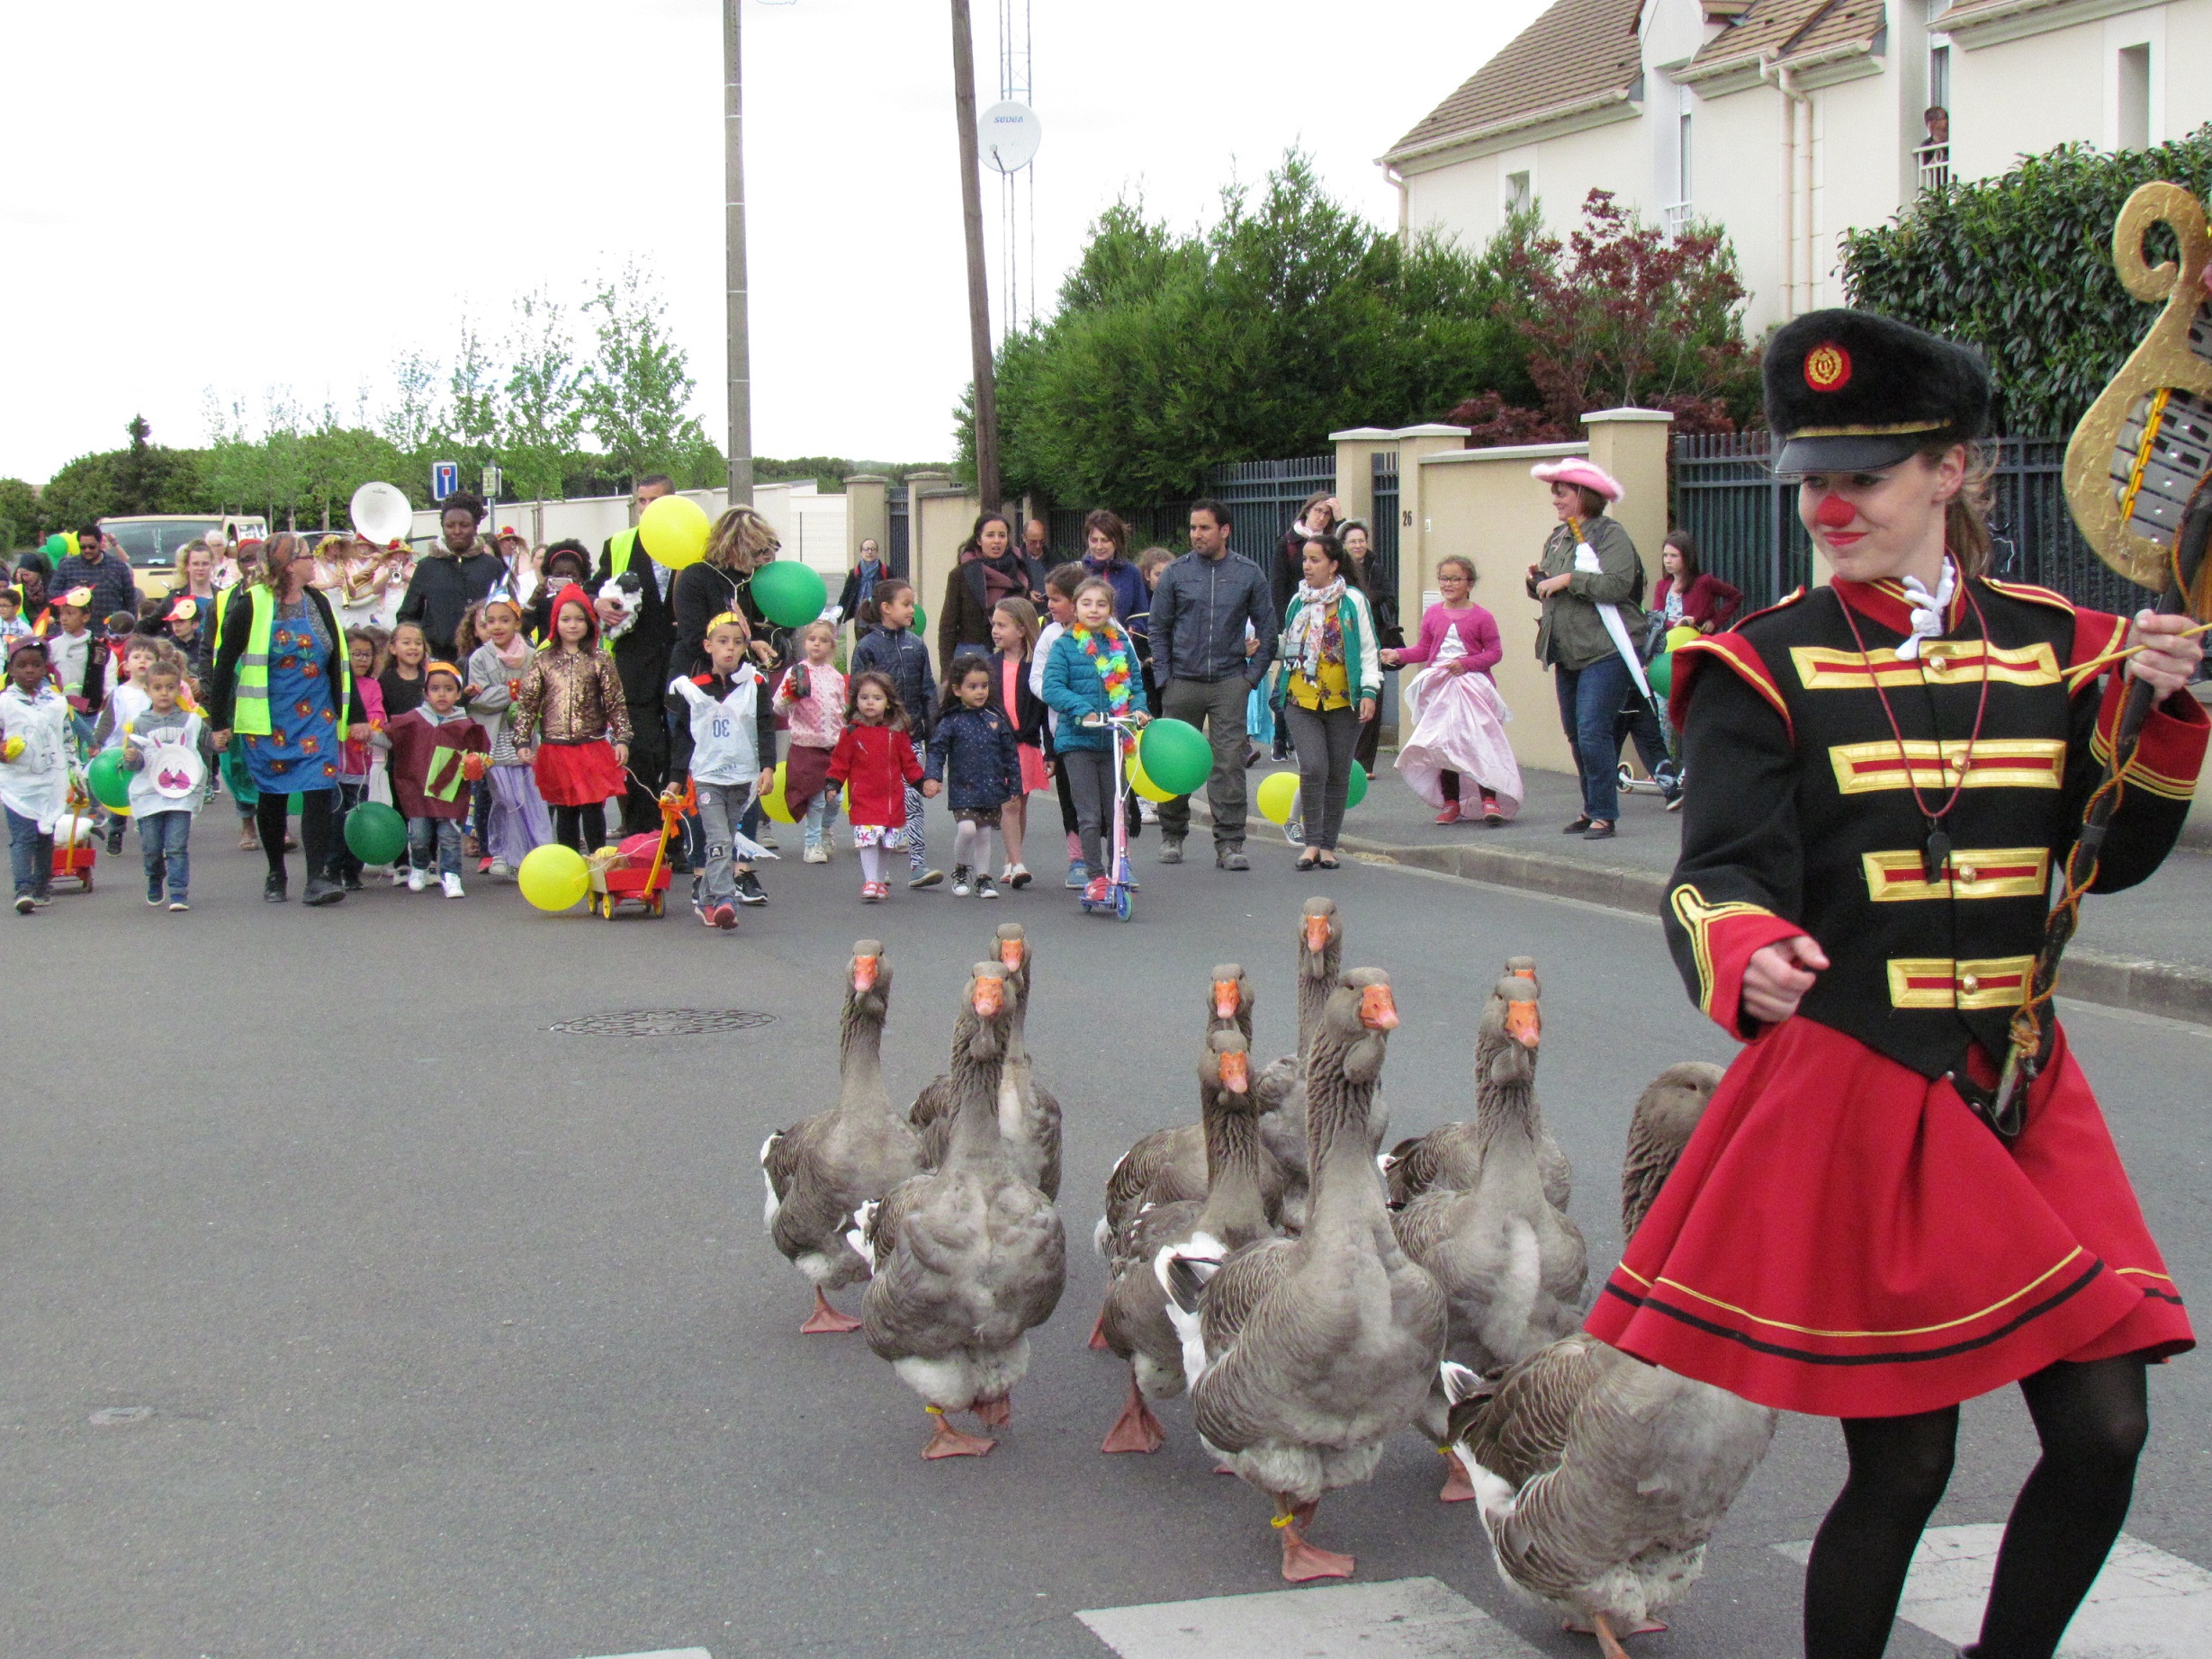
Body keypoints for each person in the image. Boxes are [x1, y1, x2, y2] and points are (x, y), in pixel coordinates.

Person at [1582, 309, 2207, 1659]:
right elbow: (1711, 878)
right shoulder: (1761, 661)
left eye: (1860, 475)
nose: (1826, 505)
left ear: (1950, 472)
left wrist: (2161, 708)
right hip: (1861, 1089)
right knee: (1905, 1467)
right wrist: (1745, 954)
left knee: (2105, 1431)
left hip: (2020, 1084)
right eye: (1810, 477)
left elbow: (2127, 854)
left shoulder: (2061, 644)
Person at [207, 530, 364, 906]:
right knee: (273, 796)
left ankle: (316, 878)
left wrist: (354, 712)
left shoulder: (319, 602)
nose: (315, 561)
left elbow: (339, 662)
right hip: (268, 719)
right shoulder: (252, 605)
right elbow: (223, 663)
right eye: (308, 555)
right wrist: (218, 722)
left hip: (317, 716)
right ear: (290, 564)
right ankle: (276, 871)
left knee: (318, 791)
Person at [1526, 457, 1650, 839]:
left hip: (1604, 649)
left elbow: (1616, 585)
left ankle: (1604, 814)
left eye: (1561, 494)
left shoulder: (1610, 534)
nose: (1555, 501)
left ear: (1582, 495)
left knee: (1594, 729)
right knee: (1576, 733)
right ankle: (1590, 806)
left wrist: (1568, 579)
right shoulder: (1558, 536)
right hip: (1567, 650)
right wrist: (1537, 582)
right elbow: (1551, 589)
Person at [1148, 498, 1274, 870]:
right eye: (1192, 528)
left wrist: (1250, 679)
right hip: (1182, 682)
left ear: (1225, 531)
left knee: (1228, 764)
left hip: (1228, 682)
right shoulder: (1176, 573)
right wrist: (1165, 679)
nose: (1196, 535)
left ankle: (1230, 843)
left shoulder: (1249, 573)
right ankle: (1172, 835)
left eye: (1204, 528)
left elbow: (1268, 631)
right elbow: (1158, 628)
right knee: (1176, 761)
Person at [1385, 555, 1519, 826]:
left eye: (1455, 579)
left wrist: (1467, 664)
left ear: (1469, 583)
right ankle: (1451, 802)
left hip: (1472, 688)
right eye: (1444, 578)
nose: (1448, 584)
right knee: (1442, 745)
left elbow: (1494, 653)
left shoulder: (1483, 617)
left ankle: (1489, 798)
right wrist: (1398, 654)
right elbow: (1424, 649)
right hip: (1441, 689)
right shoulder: (1433, 614)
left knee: (1478, 742)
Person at [1041, 577, 1150, 909]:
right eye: (1086, 604)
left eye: (1101, 604)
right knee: (1089, 814)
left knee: (1118, 812)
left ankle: (1119, 866)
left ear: (1110, 609)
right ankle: (1095, 875)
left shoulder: (1120, 643)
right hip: (1078, 741)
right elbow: (1052, 688)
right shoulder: (1064, 645)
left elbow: (1136, 685)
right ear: (1075, 608)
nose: (1093, 610)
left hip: (1115, 739)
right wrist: (1082, 709)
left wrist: (1140, 709)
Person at [1274, 532, 1381, 871]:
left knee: (1337, 773)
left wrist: (1369, 691)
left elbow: (1368, 650)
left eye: (1315, 560)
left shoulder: (1353, 601)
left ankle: (1328, 846)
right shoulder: (1297, 602)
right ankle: (1311, 843)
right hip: (1301, 699)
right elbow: (1288, 644)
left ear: (1334, 565)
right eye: (1304, 559)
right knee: (1314, 767)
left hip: (1343, 701)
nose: (1307, 566)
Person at [668, 612, 777, 928]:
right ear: (708, 646)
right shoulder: (695, 689)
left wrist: (767, 767)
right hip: (707, 777)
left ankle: (705, 899)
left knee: (728, 836)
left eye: (738, 642)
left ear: (745, 647)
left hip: (742, 777)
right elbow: (684, 736)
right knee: (719, 840)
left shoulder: (755, 685)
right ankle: (726, 899)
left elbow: (764, 727)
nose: (730, 649)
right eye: (722, 642)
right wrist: (676, 778)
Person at [510, 583, 631, 856]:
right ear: (555, 622)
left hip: (592, 744)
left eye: (579, 619)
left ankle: (598, 858)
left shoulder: (600, 658)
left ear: (589, 622)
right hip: (556, 747)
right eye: (565, 619)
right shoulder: (543, 659)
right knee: (565, 808)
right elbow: (528, 703)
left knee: (592, 806)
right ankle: (568, 861)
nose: (573, 625)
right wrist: (522, 741)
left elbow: (615, 702)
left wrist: (622, 738)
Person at [594, 475, 681, 837]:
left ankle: (679, 841)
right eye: (641, 501)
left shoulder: (696, 544)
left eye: (655, 501)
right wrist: (596, 603)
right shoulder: (618, 544)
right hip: (634, 665)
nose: (647, 508)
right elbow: (592, 587)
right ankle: (641, 835)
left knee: (679, 751)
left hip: (681, 664)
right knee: (641, 751)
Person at [850, 578, 940, 889]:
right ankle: (877, 871)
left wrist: (934, 735)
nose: (912, 609)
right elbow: (856, 694)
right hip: (876, 741)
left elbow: (928, 690)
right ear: (886, 609)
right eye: (906, 603)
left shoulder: (916, 645)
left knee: (914, 799)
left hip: (910, 736)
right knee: (878, 803)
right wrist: (859, 734)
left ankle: (918, 864)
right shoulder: (867, 646)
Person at [462, 596, 550, 878]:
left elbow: (537, 692)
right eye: (491, 621)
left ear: (516, 623)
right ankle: (501, 851)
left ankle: (535, 851)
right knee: (505, 796)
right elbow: (479, 700)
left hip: (523, 736)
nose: (497, 627)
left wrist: (512, 692)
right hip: (494, 736)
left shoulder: (531, 655)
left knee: (529, 795)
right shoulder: (479, 657)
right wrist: (512, 691)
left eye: (504, 620)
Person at [385, 661, 489, 897]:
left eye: (448, 688)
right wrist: (370, 737)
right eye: (435, 688)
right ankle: (420, 866)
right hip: (418, 789)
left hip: (450, 791)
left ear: (458, 693)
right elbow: (390, 737)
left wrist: (478, 763)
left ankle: (452, 877)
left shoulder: (465, 725)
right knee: (419, 835)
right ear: (425, 692)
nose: (441, 694)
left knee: (449, 836)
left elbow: (481, 754)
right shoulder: (414, 719)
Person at [117, 659, 211, 910]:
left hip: (181, 792)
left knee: (177, 846)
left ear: (179, 690)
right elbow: (133, 766)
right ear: (147, 690)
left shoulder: (191, 721)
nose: (164, 693)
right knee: (151, 847)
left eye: (170, 687)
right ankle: (154, 876)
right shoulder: (140, 723)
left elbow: (208, 745)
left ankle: (179, 892)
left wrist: (220, 740)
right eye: (157, 688)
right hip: (148, 793)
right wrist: (131, 758)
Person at [926, 654, 1022, 900]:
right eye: (973, 687)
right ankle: (960, 869)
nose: (980, 692)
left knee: (984, 833)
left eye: (984, 686)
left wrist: (1015, 785)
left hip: (991, 786)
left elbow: (1010, 754)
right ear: (957, 690)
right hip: (963, 787)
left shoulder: (996, 719)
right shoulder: (951, 721)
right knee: (968, 829)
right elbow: (937, 751)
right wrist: (933, 777)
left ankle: (983, 877)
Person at [825, 669, 925, 903]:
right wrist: (833, 783)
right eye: (864, 697)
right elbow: (840, 762)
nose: (870, 702)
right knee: (868, 839)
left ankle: (879, 881)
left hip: (891, 798)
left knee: (886, 843)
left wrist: (921, 782)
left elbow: (908, 761)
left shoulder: (896, 733)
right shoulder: (851, 732)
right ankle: (870, 879)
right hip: (864, 797)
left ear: (889, 703)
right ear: (856, 700)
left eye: (877, 698)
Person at [0, 637, 69, 913]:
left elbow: (66, 739)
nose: (29, 670)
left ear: (45, 669)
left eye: (36, 665)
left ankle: (42, 885)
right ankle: (23, 889)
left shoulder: (56, 702)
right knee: (22, 837)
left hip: (49, 780)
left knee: (45, 833)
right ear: (11, 670)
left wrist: (74, 773)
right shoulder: (4, 702)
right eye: (22, 665)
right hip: (16, 782)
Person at [1030, 562, 1089, 887]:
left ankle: (1118, 857)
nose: (1049, 605)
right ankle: (1077, 859)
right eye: (1049, 599)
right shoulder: (1051, 634)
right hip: (1064, 729)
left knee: (1110, 796)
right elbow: (1037, 679)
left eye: (1056, 599)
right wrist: (1064, 699)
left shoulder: (1110, 630)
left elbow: (1127, 672)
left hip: (1104, 731)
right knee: (1071, 794)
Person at [774, 619, 847, 865]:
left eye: (824, 640)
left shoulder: (836, 677)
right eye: (812, 639)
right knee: (817, 798)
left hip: (832, 745)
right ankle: (812, 843)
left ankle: (826, 829)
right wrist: (789, 694)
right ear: (805, 643)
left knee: (835, 798)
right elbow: (780, 707)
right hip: (807, 746)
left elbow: (842, 709)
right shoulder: (797, 673)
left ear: (832, 646)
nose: (817, 644)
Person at [397, 493, 503, 659]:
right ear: (443, 527)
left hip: (486, 657)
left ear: (475, 527)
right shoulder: (427, 566)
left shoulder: (492, 566)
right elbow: (408, 615)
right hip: (439, 658)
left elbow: (508, 611)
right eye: (450, 526)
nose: (457, 531)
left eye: (465, 525)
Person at [987, 596, 1047, 891]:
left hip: (1026, 743)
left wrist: (1052, 750)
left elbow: (1044, 709)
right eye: (994, 624)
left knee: (1020, 803)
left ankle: (1012, 860)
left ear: (1022, 630)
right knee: (1009, 804)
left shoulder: (1035, 666)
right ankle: (1016, 862)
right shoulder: (989, 664)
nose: (995, 630)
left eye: (1002, 625)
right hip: (1000, 745)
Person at [939, 511, 1045, 668]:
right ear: (979, 540)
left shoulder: (1020, 567)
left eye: (1002, 536)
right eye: (990, 535)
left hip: (1015, 652)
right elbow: (948, 625)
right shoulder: (962, 574)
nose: (997, 541)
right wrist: (947, 672)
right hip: (973, 653)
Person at [1338, 519, 1401, 776]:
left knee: (1373, 694)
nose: (1358, 545)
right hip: (1345, 640)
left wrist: (1372, 599)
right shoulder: (1338, 568)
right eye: (1352, 541)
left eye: (1361, 540)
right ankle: (1345, 760)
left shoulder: (1376, 567)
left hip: (1374, 638)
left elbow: (1390, 598)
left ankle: (1364, 764)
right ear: (1343, 545)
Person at [330, 628, 390, 891]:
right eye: (356, 654)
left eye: (368, 654)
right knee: (333, 819)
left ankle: (352, 871)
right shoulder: (332, 682)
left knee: (356, 817)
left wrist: (368, 727)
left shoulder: (372, 685)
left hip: (358, 765)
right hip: (329, 764)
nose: (363, 659)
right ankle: (330, 869)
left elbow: (377, 716)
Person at [1650, 528, 1742, 636]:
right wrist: (1676, 625)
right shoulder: (1662, 585)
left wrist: (1715, 621)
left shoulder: (1704, 582)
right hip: (1667, 645)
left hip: (1696, 644)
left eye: (1674, 556)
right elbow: (1657, 620)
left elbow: (1736, 596)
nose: (1667, 561)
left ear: (1687, 557)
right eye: (1665, 555)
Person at [1271, 491, 1339, 628]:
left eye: (1327, 514)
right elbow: (1277, 588)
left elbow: (1347, 568)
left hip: (1327, 616)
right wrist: (1283, 624)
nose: (1321, 517)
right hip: (1296, 613)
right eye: (1318, 511)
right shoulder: (1287, 542)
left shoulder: (1331, 544)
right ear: (1307, 510)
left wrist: (1341, 520)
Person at [1080, 511, 1148, 645]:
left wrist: (1133, 629)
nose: (1099, 546)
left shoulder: (1132, 573)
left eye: (1105, 540)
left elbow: (1142, 615)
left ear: (1116, 541)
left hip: (1120, 648)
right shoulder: (1078, 571)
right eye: (1094, 540)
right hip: (1084, 647)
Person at [51, 526, 137, 632]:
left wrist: (130, 629)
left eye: (92, 547)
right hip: (76, 633)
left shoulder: (118, 567)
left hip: (111, 632)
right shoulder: (67, 566)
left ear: (100, 543)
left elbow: (130, 602)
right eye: (83, 547)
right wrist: (68, 594)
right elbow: (51, 594)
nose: (87, 550)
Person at [525, 541, 592, 644]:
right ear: (550, 577)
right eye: (559, 575)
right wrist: (532, 603)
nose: (564, 579)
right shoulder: (544, 605)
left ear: (581, 578)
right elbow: (521, 632)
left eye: (571, 575)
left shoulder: (588, 605)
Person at [834, 537, 891, 641]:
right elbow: (845, 597)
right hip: (861, 619)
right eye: (866, 549)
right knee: (863, 647)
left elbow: (896, 593)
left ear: (877, 552)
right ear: (861, 552)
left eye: (873, 549)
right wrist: (837, 620)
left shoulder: (885, 571)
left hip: (880, 618)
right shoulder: (855, 573)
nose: (869, 552)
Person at [379, 620, 429, 721]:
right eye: (406, 643)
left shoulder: (429, 677)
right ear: (393, 648)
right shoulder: (386, 680)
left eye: (418, 643)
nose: (413, 647)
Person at [172, 538, 221, 609]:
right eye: (195, 564)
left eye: (205, 564)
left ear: (212, 565)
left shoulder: (223, 596)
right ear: (187, 566)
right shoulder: (175, 597)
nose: (200, 568)